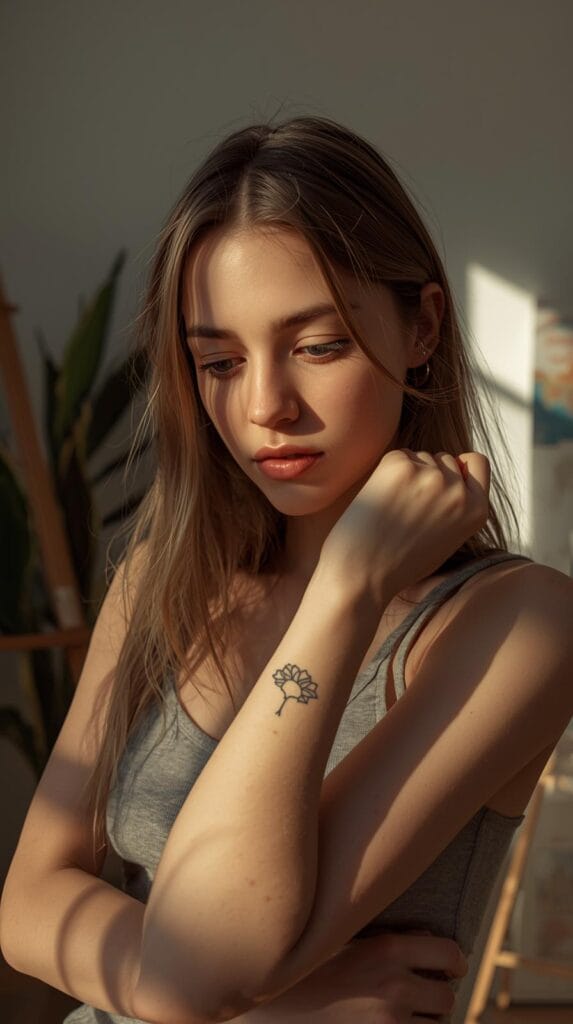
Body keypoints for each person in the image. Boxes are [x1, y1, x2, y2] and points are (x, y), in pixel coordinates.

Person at [1, 114, 572, 1024]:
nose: (265, 406)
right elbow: (29, 904)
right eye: (219, 361)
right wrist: (273, 1006)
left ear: (421, 325)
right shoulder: (161, 580)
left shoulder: (520, 624)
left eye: (316, 346)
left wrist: (345, 588)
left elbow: (195, 964)